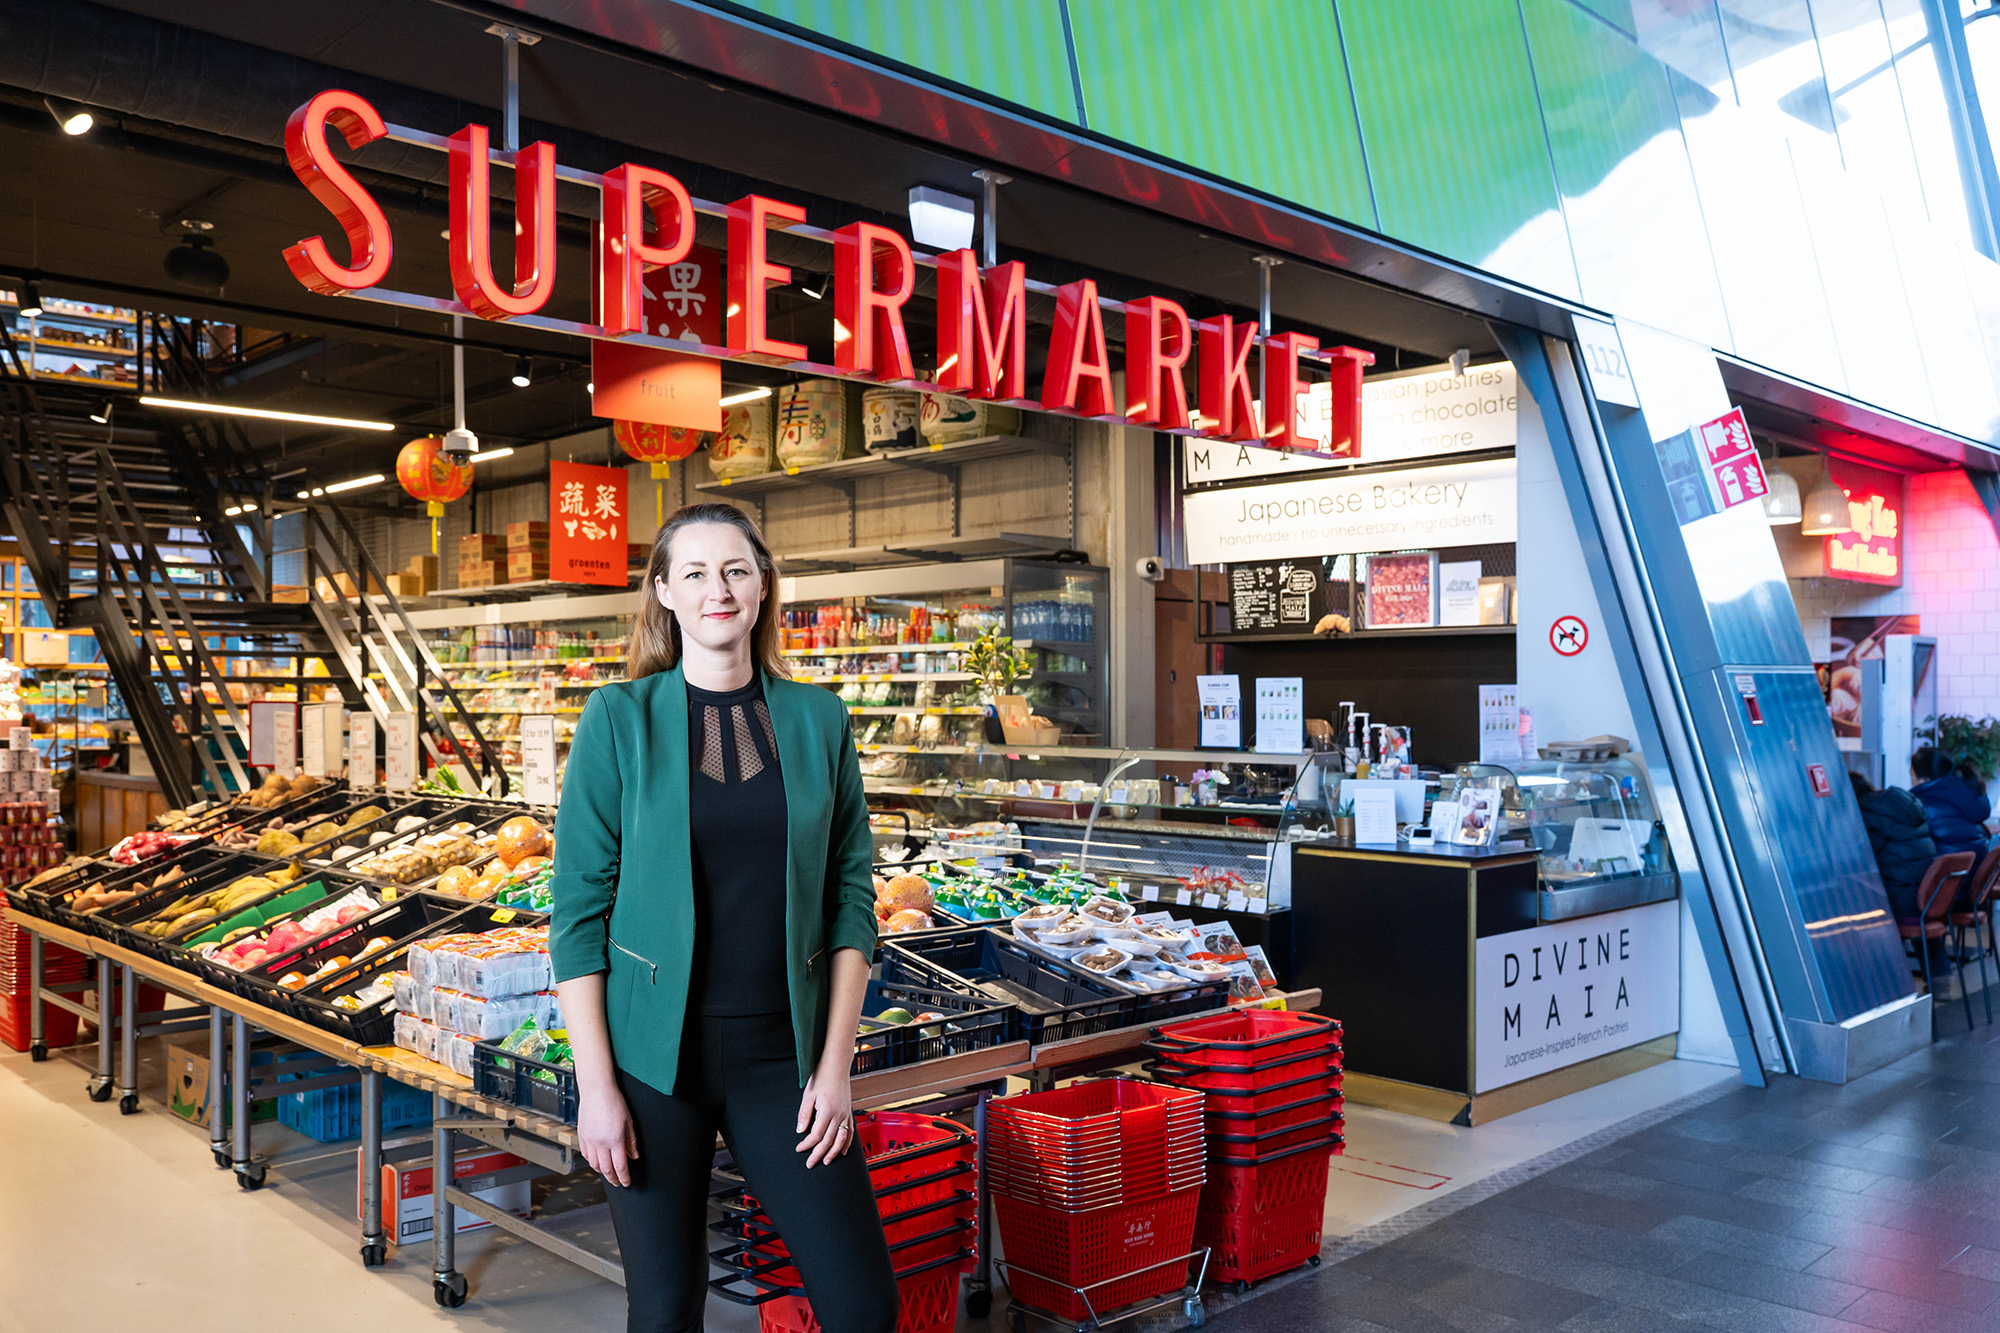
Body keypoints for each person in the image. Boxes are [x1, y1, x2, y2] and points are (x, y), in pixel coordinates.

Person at [550, 503, 897, 1333]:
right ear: (664, 591)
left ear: (764, 584)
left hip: (784, 1056)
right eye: (696, 572)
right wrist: (596, 1087)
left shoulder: (820, 719)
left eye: (736, 569)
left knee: (862, 1305)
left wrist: (835, 1065)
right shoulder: (618, 720)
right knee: (666, 1308)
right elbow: (577, 913)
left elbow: (853, 898)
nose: (719, 588)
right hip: (650, 1063)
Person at [1851, 770, 1948, 973]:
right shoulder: (1905, 807)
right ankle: (1940, 979)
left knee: (1851, 897)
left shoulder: (1869, 814)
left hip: (1904, 901)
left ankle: (1878, 976)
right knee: (1904, 887)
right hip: (1931, 897)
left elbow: (1859, 857)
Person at [1911, 746, 1993, 860]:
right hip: (1972, 871)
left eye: (1912, 775)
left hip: (1945, 875)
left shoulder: (1921, 807)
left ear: (1923, 779)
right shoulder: (1967, 795)